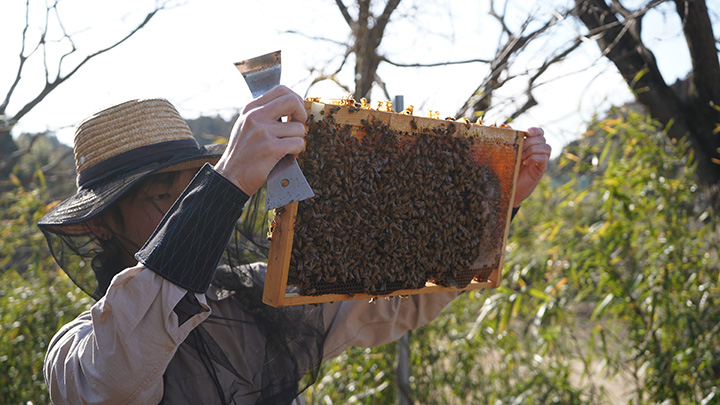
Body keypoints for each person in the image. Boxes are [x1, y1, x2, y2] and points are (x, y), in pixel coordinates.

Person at [38, 86, 551, 404]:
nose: (180, 209)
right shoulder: (75, 356)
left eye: (190, 191)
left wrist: (495, 208)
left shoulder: (256, 292)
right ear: (100, 226)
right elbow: (114, 380)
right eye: (160, 197)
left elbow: (395, 299)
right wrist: (222, 187)